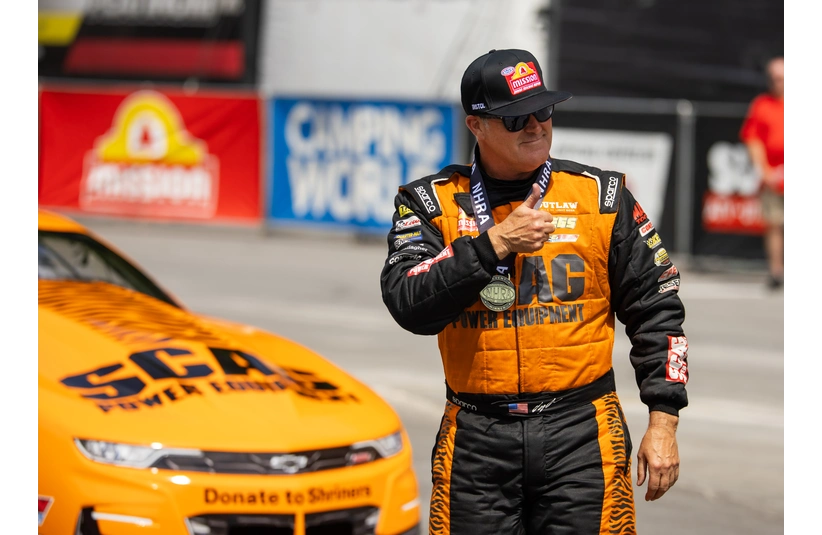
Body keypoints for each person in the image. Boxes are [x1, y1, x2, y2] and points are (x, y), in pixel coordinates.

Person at [379, 48, 689, 535]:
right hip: (476, 437)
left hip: (582, 434)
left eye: (543, 110)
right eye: (515, 117)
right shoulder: (428, 201)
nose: (535, 126)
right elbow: (407, 302)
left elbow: (659, 310)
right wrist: (493, 244)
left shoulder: (602, 197)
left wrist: (664, 420)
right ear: (476, 125)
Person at [739, 55, 784, 290]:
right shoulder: (762, 104)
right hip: (773, 177)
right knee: (774, 225)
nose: (779, 82)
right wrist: (765, 171)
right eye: (775, 78)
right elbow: (753, 139)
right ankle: (776, 272)